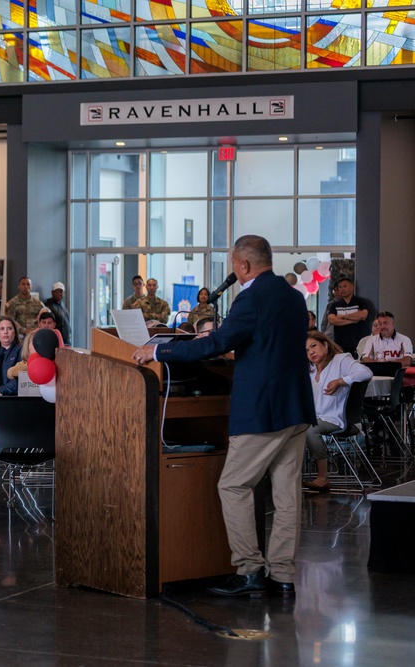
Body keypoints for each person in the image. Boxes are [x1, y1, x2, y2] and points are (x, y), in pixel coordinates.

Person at [132, 235, 314, 597]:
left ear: (243, 265)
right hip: (295, 406)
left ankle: (249, 571)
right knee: (287, 494)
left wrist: (159, 350)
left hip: (263, 411)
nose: (233, 270)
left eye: (234, 264)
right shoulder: (294, 297)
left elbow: (217, 343)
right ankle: (282, 576)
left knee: (233, 484)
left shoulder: (252, 298)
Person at [304, 331, 373, 493]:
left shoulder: (340, 360)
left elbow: (366, 373)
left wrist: (341, 381)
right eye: (306, 350)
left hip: (337, 418)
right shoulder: (311, 370)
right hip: (315, 416)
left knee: (311, 430)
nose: (311, 352)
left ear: (325, 345)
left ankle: (322, 477)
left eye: (313, 346)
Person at [327, 276, 375, 356]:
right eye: (340, 287)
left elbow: (363, 315)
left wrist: (341, 316)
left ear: (352, 287)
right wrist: (354, 319)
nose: (342, 289)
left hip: (358, 343)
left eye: (345, 286)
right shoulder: (335, 305)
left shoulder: (361, 302)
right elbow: (332, 320)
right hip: (340, 344)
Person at [44, 281, 71, 346]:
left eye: (61, 292)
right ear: (52, 293)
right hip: (57, 339)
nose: (59, 294)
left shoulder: (61, 304)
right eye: (57, 291)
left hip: (66, 339)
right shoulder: (49, 306)